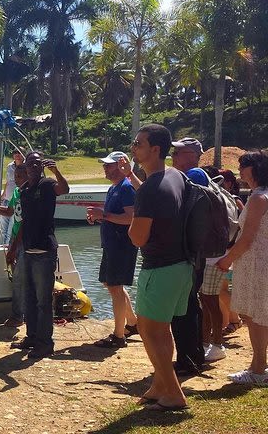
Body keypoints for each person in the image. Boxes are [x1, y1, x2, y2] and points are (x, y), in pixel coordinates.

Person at [122, 124, 192, 411]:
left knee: (149, 331)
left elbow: (138, 237)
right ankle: (159, 385)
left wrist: (131, 223)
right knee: (162, 330)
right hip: (182, 264)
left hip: (159, 267)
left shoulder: (149, 190)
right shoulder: (175, 176)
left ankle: (174, 393)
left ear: (155, 150)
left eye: (138, 144)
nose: (133, 148)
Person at [7, 152, 69, 359]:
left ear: (41, 166)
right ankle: (32, 337)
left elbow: (64, 189)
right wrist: (14, 247)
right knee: (29, 298)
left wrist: (56, 171)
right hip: (28, 250)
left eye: (36, 163)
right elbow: (23, 222)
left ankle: (45, 343)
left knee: (43, 301)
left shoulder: (47, 184)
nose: (33, 167)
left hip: (44, 251)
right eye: (29, 163)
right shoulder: (24, 190)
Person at [217, 150, 268, 385]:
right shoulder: (261, 195)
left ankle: (258, 369)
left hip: (256, 262)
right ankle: (259, 365)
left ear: (255, 169)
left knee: (255, 315)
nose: (239, 170)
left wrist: (227, 259)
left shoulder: (259, 197)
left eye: (243, 166)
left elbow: (247, 238)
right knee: (257, 314)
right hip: (257, 260)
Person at [86, 151, 138, 348]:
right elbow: (111, 215)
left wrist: (104, 215)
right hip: (111, 245)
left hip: (122, 245)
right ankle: (132, 323)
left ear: (120, 165)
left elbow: (131, 218)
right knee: (111, 284)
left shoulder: (126, 188)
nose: (105, 168)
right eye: (104, 165)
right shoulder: (114, 188)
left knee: (115, 286)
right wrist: (98, 216)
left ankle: (118, 335)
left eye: (108, 165)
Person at [169, 137, 211, 368]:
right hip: (196, 251)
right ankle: (194, 355)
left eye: (178, 153)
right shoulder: (197, 175)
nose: (173, 157)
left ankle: (187, 358)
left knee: (184, 306)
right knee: (190, 303)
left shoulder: (193, 175)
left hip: (191, 253)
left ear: (193, 155)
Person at [0, 163, 29, 327]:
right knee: (16, 276)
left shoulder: (28, 194)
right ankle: (20, 313)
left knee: (19, 278)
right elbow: (9, 212)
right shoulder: (16, 191)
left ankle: (18, 316)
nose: (17, 179)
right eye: (15, 175)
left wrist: (14, 248)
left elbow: (26, 222)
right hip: (15, 238)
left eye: (20, 176)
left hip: (23, 241)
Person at [217, 169, 244, 335]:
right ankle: (228, 321)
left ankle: (235, 319)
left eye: (224, 180)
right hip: (225, 249)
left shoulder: (234, 200)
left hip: (230, 250)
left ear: (230, 183)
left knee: (220, 289)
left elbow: (243, 223)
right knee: (221, 288)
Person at [0, 149, 25, 245]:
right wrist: (3, 194)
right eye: (15, 153)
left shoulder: (26, 166)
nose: (17, 155)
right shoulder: (9, 166)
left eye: (19, 152)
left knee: (12, 227)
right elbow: (8, 181)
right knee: (3, 227)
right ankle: (1, 246)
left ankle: (9, 247)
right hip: (6, 199)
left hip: (17, 201)